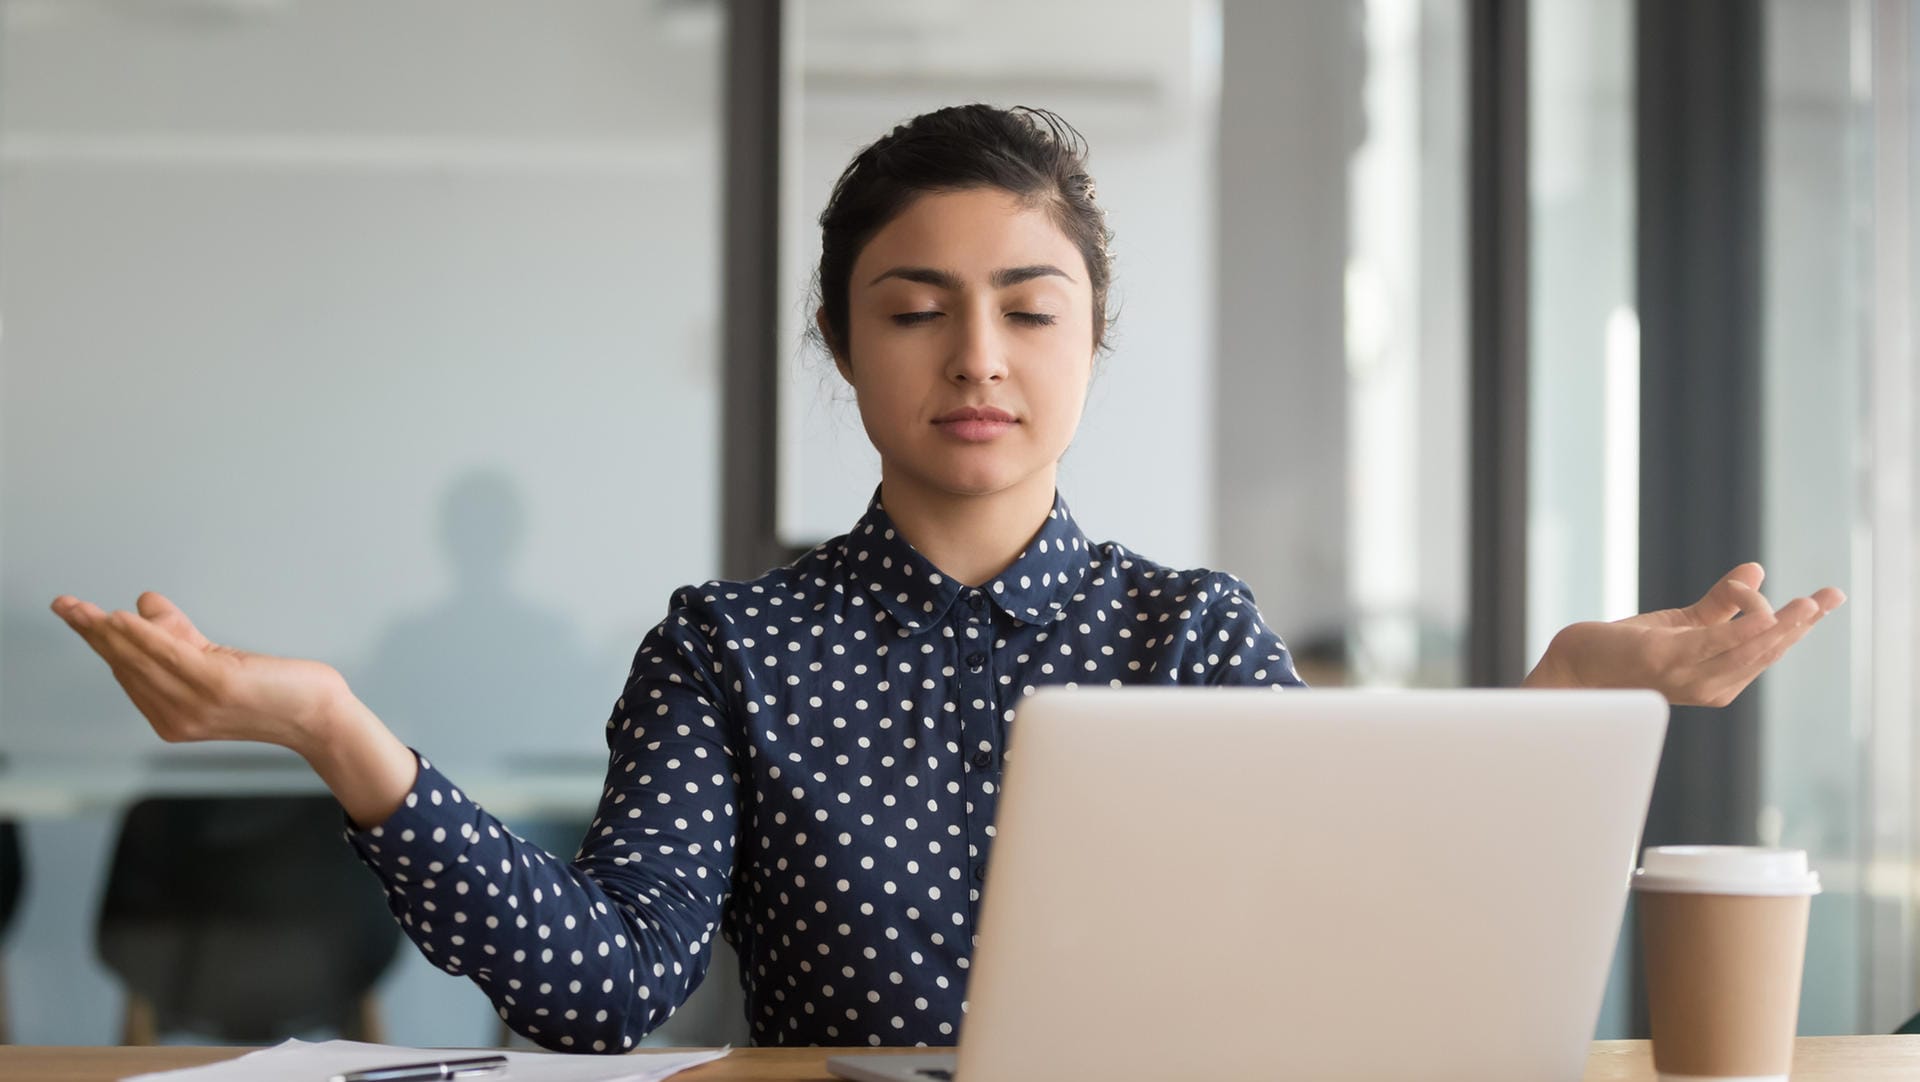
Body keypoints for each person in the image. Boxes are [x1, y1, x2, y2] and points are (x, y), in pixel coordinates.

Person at [49, 104, 1845, 1053]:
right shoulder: (732, 648)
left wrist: (1554, 709)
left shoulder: (1187, 629)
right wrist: (334, 727)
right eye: (915, 310)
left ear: (1090, 343)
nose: (975, 355)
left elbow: (1360, 956)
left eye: (1027, 308)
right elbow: (598, 988)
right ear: (842, 348)